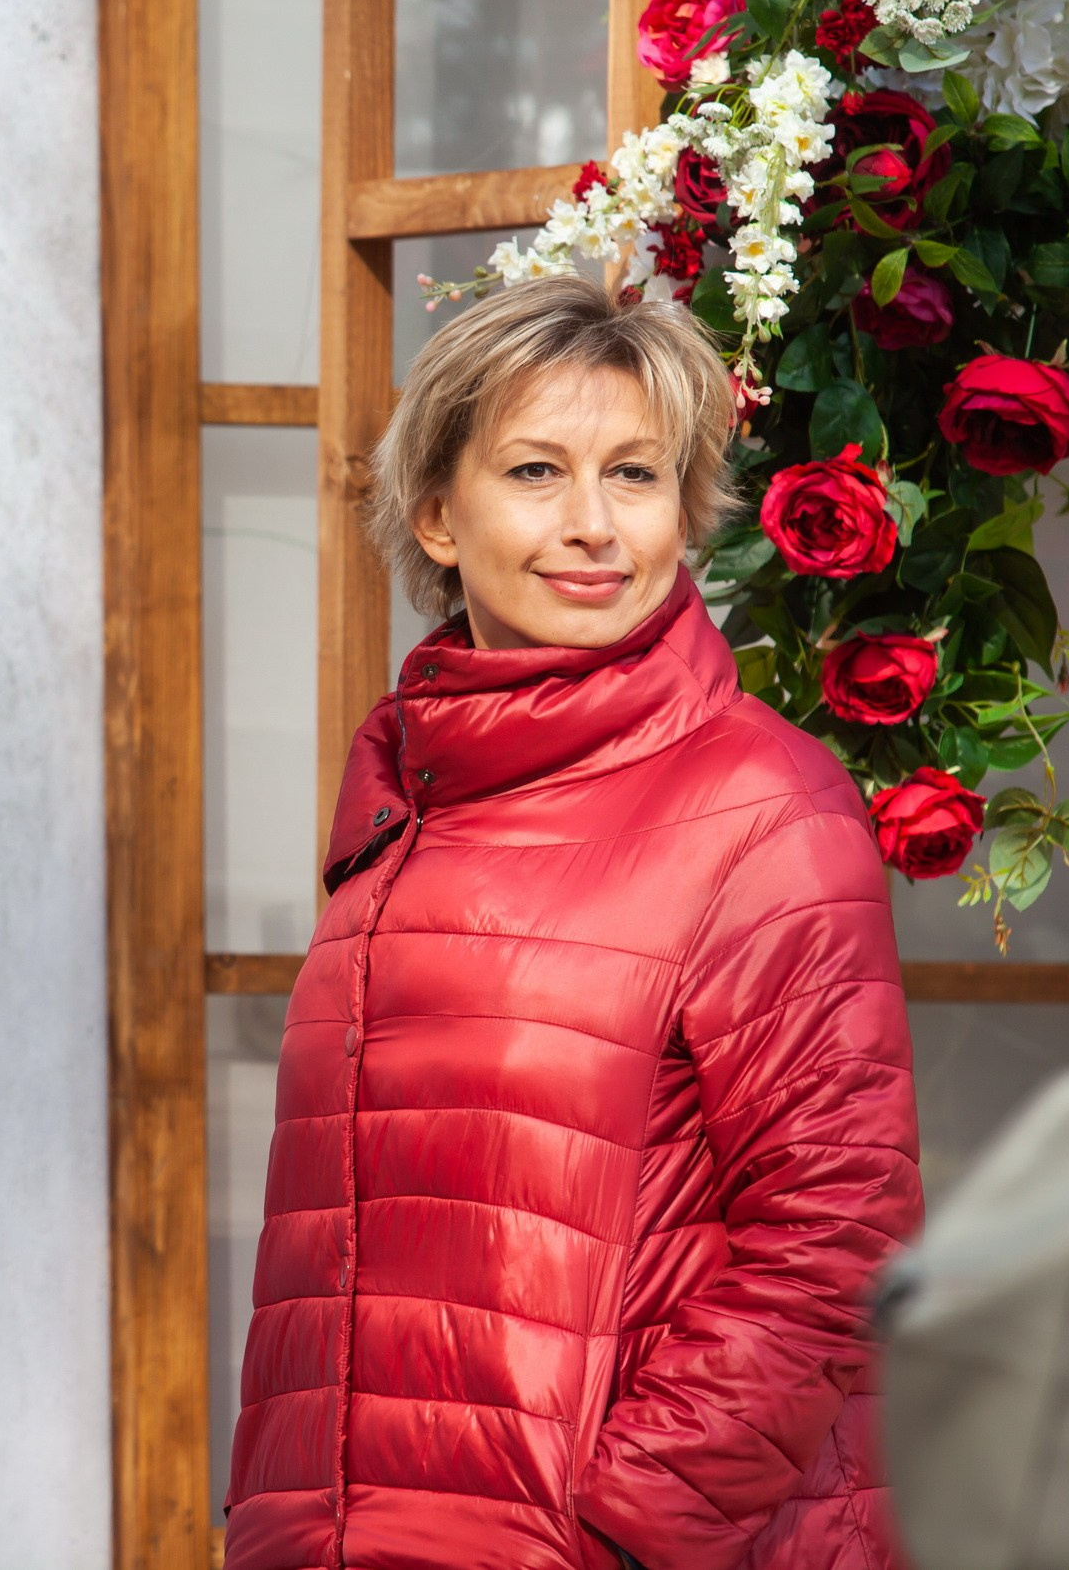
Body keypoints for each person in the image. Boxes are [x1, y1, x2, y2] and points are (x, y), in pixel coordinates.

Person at [221, 278, 923, 1570]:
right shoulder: (405, 793)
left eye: (637, 475)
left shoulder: (758, 803)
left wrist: (631, 1520)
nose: (592, 526)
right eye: (537, 470)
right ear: (436, 513)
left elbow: (839, 1231)